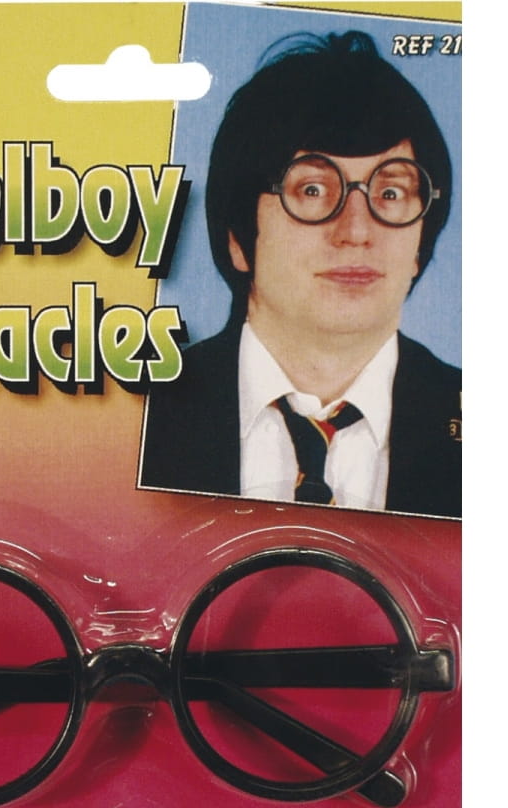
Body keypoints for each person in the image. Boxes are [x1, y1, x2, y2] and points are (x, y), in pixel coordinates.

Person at [140, 31, 461, 518]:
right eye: (312, 190)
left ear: (420, 242)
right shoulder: (140, 415)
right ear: (237, 236)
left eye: (391, 193)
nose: (357, 231)